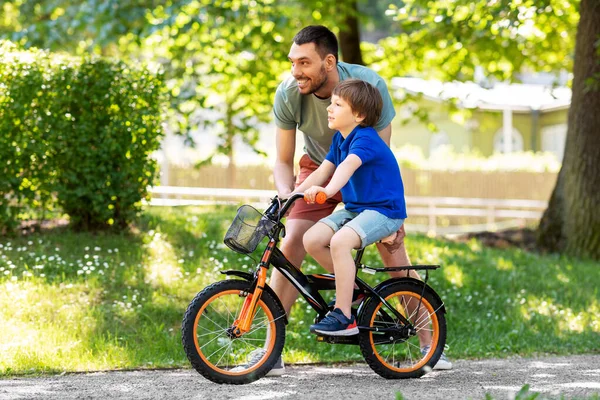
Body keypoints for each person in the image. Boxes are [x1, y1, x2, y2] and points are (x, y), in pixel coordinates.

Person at [252, 25, 451, 374]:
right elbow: (285, 160)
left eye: (304, 63)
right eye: (292, 62)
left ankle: (429, 345)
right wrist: (288, 196)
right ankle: (274, 350)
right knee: (295, 240)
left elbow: (379, 160)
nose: (295, 72)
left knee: (394, 255)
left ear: (329, 62)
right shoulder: (289, 93)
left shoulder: (367, 88)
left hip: (363, 169)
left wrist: (385, 219)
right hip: (319, 166)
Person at [296, 79, 406, 335]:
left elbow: (347, 167)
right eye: (331, 103)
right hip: (358, 209)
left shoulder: (366, 139)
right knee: (311, 239)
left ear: (358, 114)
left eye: (337, 104)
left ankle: (345, 316)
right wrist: (290, 196)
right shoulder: (339, 140)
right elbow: (322, 172)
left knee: (340, 242)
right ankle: (353, 288)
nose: (329, 108)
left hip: (384, 211)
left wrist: (327, 192)